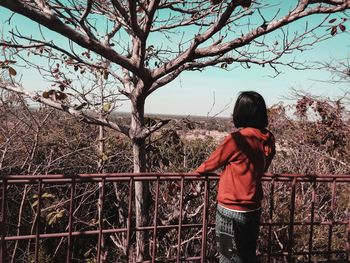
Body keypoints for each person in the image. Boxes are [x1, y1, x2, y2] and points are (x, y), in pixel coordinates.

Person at [196, 91, 275, 263]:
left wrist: (195, 173)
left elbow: (211, 163)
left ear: (241, 112)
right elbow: (263, 167)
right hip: (254, 207)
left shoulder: (237, 139)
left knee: (228, 256)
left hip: (231, 209)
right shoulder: (268, 138)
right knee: (248, 255)